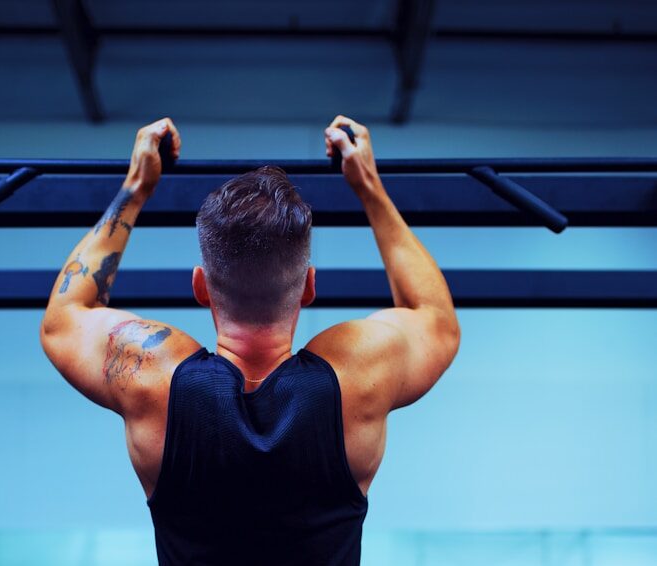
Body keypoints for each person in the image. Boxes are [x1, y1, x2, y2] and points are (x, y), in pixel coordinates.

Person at [40, 116, 460, 565]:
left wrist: (137, 185)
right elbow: (434, 319)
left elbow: (65, 319)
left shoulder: (154, 380)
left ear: (200, 286)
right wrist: (369, 188)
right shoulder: (358, 376)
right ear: (308, 287)